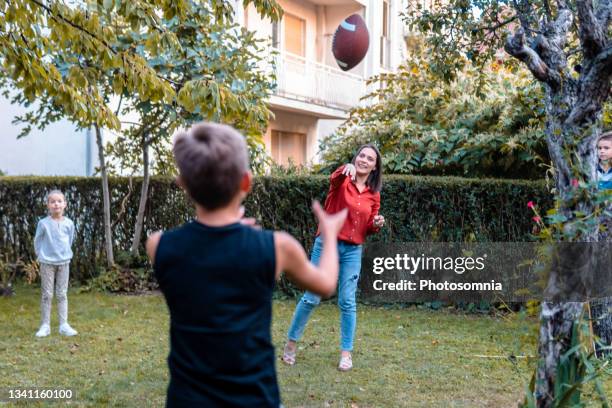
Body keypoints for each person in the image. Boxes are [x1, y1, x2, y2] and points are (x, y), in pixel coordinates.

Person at [145, 122, 347, 408]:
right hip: (254, 399)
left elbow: (209, 256)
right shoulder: (276, 247)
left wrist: (227, 232)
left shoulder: (158, 245)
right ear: (246, 182)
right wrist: (328, 232)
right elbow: (325, 283)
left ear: (183, 185)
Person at [283, 144, 385, 372]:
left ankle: (346, 354)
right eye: (361, 155)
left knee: (347, 301)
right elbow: (334, 178)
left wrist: (376, 224)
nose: (364, 160)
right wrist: (344, 169)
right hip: (327, 244)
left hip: (352, 250)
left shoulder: (373, 194)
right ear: (355, 158)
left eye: (370, 158)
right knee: (312, 297)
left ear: (375, 166)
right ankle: (291, 343)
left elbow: (368, 226)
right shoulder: (342, 180)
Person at [34, 190, 77, 337]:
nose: (56, 204)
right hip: (47, 263)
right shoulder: (43, 223)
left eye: (59, 201)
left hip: (64, 262)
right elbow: (38, 241)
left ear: (64, 204)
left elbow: (69, 240)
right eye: (53, 201)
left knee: (62, 293)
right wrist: (40, 255)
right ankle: (45, 325)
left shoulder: (69, 224)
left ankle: (63, 325)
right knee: (47, 294)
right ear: (48, 205)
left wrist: (65, 254)